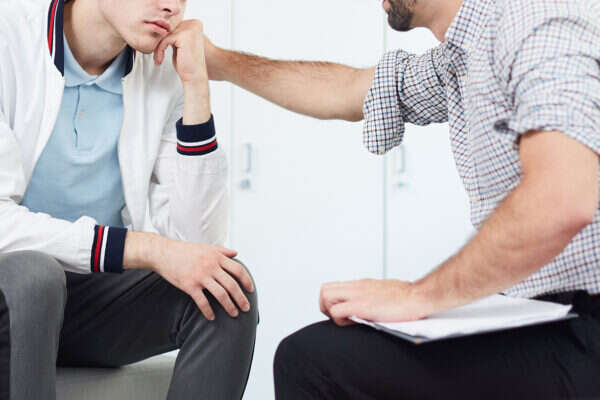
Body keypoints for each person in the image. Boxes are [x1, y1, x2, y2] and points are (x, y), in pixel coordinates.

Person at [203, 0, 600, 398]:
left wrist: (417, 296)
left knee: (312, 362)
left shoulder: (534, 20)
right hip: (543, 316)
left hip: (585, 328)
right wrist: (218, 62)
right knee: (317, 354)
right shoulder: (461, 57)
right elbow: (346, 89)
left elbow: (562, 197)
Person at [0, 0, 258, 398]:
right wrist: (146, 248)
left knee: (225, 287)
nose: (170, 5)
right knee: (37, 278)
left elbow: (199, 243)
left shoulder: (162, 69)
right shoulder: (8, 38)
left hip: (87, 304)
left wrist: (196, 85)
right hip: (13, 297)